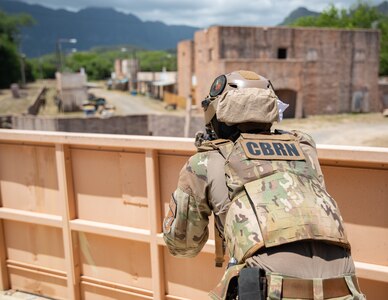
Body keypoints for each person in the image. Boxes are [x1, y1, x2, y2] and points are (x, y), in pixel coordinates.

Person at [163, 70, 365, 300]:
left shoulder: (205, 162)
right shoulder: (305, 150)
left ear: (215, 112)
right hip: (345, 288)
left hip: (272, 290)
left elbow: (183, 245)